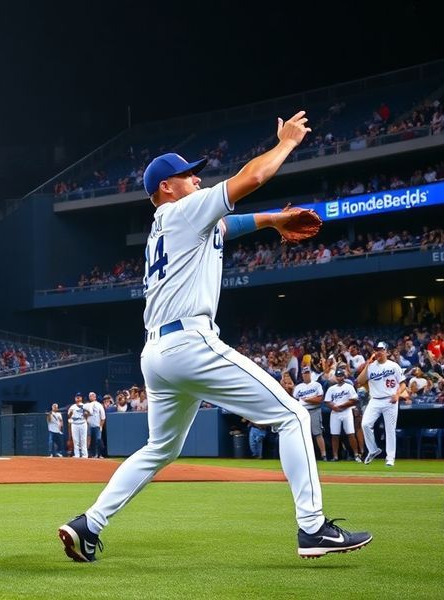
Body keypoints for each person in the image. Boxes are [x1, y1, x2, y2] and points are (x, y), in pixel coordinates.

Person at [58, 112, 371, 563]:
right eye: (188, 174)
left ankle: (88, 524)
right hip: (190, 342)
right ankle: (313, 528)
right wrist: (285, 143)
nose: (197, 179)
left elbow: (231, 225)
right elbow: (254, 176)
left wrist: (272, 222)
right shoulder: (185, 211)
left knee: (159, 449)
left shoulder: (170, 227)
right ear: (166, 187)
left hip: (157, 352)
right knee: (293, 417)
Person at [358, 341, 406, 467]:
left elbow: (403, 384)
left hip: (390, 399)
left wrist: (397, 394)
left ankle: (390, 458)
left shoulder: (394, 366)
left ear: (386, 351)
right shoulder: (371, 366)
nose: (378, 352)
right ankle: (373, 450)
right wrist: (367, 364)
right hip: (374, 400)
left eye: (380, 349)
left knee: (390, 429)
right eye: (376, 349)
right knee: (365, 424)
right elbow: (359, 380)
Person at [324, 366, 362, 462]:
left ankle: (356, 454)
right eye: (338, 376)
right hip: (335, 413)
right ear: (336, 377)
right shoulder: (331, 388)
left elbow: (354, 400)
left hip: (347, 411)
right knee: (334, 434)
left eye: (341, 376)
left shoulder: (349, 387)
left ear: (344, 376)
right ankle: (335, 456)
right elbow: (327, 401)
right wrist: (334, 407)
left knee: (351, 433)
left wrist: (341, 406)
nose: (340, 378)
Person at [293, 367, 328, 461]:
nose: (306, 375)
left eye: (308, 373)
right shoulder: (298, 387)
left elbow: (319, 400)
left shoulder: (316, 385)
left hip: (314, 410)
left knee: (318, 433)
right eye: (305, 373)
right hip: (302, 412)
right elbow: (295, 400)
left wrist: (307, 399)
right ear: (302, 375)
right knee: (303, 434)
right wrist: (311, 399)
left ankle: (324, 455)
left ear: (310, 374)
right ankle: (303, 456)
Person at [67, 392, 89, 458]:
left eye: (79, 397)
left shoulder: (85, 406)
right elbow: (69, 416)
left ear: (81, 398)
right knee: (75, 440)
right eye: (77, 397)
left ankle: (85, 455)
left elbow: (88, 415)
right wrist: (70, 413)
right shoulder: (72, 407)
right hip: (75, 424)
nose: (78, 398)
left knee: (83, 440)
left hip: (83, 423)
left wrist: (85, 412)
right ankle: (77, 455)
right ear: (75, 398)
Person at [86, 392, 106, 458]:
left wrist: (101, 426)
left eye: (93, 395)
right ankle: (89, 454)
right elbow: (84, 414)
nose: (91, 397)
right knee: (89, 440)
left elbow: (103, 417)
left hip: (97, 425)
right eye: (90, 396)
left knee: (98, 439)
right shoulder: (87, 405)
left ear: (95, 397)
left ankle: (99, 454)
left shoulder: (99, 405)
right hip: (89, 425)